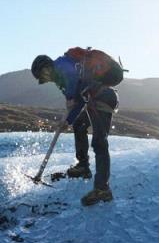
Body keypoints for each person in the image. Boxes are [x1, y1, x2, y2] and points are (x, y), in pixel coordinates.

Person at [31, 51, 119, 206]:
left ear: (46, 68)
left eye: (42, 76)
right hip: (95, 98)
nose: (44, 80)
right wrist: (70, 119)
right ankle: (83, 166)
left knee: (99, 142)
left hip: (103, 98)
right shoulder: (60, 73)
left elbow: (76, 96)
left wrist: (69, 110)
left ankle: (102, 189)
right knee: (79, 125)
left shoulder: (62, 66)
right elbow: (77, 98)